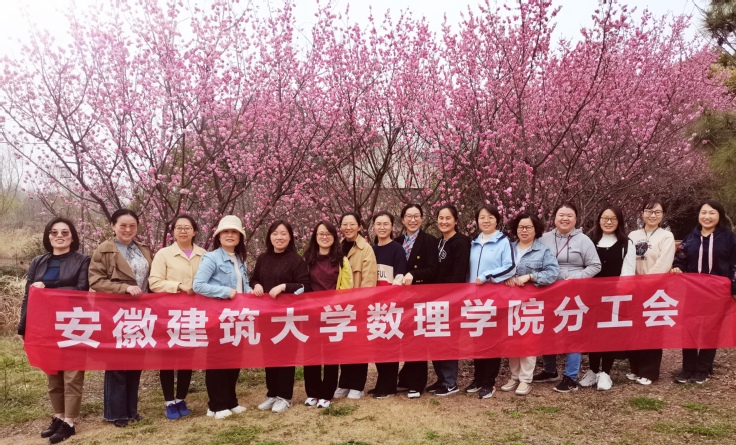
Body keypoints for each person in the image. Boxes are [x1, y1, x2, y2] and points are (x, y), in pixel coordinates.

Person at [18, 218, 90, 443]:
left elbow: (82, 290)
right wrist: (23, 326)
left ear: (72, 236)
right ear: (48, 236)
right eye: (54, 232)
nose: (59, 236)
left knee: (72, 374)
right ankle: (58, 417)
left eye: (65, 232)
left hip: (72, 322)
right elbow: (28, 296)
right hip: (44, 324)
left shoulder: (82, 260)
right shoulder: (38, 262)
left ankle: (70, 422)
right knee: (52, 374)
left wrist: (47, 288)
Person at [89, 209, 152, 427]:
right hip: (114, 312)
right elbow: (96, 281)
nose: (127, 230)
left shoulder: (143, 249)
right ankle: (116, 413)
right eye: (123, 225)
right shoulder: (104, 250)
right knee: (116, 363)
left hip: (140, 313)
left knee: (135, 361)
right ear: (113, 226)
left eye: (132, 226)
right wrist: (123, 288)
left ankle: (132, 410)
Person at [535, 202, 601, 393]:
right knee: (546, 329)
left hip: (574, 293)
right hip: (548, 290)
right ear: (554, 217)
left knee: (572, 331)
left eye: (569, 215)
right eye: (561, 215)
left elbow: (595, 265)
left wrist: (577, 277)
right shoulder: (544, 238)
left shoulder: (583, 240)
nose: (565, 218)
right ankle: (550, 370)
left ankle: (571, 376)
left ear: (576, 219)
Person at [671, 200, 736, 384]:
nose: (707, 217)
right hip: (693, 293)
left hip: (717, 294)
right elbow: (680, 258)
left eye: (712, 213)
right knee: (689, 330)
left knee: (710, 330)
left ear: (719, 216)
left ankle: (703, 369)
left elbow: (734, 264)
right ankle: (687, 369)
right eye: (704, 212)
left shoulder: (729, 238)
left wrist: (734, 286)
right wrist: (678, 267)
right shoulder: (690, 238)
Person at [193, 215, 251, 419]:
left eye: (234, 232)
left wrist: (253, 292)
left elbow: (243, 286)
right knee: (217, 361)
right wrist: (225, 292)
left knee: (234, 360)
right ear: (218, 236)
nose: (230, 235)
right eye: (226, 232)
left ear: (240, 237)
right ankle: (216, 405)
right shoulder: (211, 258)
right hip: (218, 317)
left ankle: (230, 401)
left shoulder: (240, 259)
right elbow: (198, 285)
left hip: (237, 317)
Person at [149, 214, 206, 419]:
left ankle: (181, 398)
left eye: (187, 227)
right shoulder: (163, 254)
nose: (183, 231)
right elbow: (154, 282)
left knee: (187, 357)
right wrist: (179, 286)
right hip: (169, 313)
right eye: (179, 227)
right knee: (168, 356)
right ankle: (169, 401)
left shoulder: (203, 254)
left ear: (194, 231)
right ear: (172, 231)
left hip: (194, 312)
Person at [252, 220, 312, 413]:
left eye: (284, 233)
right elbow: (254, 278)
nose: (279, 237)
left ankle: (284, 396)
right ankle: (272, 393)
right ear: (270, 236)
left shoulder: (296, 260)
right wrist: (256, 285)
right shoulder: (263, 259)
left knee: (285, 356)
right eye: (275, 233)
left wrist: (285, 287)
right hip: (266, 316)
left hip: (288, 317)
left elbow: (305, 286)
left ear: (290, 237)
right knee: (269, 356)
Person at [501, 213, 558, 397]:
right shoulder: (508, 248)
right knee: (511, 340)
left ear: (536, 230)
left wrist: (531, 277)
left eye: (528, 227)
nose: (524, 230)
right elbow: (498, 268)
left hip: (531, 303)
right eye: (520, 227)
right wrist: (505, 277)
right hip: (509, 302)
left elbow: (553, 272)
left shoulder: (543, 251)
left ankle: (526, 379)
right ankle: (514, 376)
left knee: (527, 340)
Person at [621, 198, 676, 385]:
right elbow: (627, 260)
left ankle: (649, 372)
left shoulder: (666, 236)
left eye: (657, 212)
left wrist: (645, 282)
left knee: (652, 329)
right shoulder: (633, 235)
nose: (653, 215)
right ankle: (635, 368)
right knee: (634, 328)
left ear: (663, 215)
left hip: (655, 289)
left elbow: (664, 263)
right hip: (633, 288)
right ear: (642, 213)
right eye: (649, 211)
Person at [578, 205, 630, 391]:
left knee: (609, 334)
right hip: (591, 296)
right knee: (592, 333)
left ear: (619, 222)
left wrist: (620, 294)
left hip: (614, 297)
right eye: (605, 218)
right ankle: (592, 371)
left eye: (613, 219)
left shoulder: (626, 244)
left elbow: (628, 272)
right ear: (599, 220)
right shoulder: (590, 241)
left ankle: (605, 373)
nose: (608, 222)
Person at [466, 205, 516, 399]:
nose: (485, 221)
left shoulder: (503, 241)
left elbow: (510, 267)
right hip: (474, 299)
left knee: (492, 341)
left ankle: (489, 382)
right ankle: (478, 379)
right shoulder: (474, 242)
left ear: (497, 220)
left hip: (494, 298)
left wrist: (487, 275)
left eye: (490, 217)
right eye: (482, 217)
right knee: (477, 339)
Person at [302, 221, 353, 409]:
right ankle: (312, 392)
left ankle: (327, 393)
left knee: (331, 355)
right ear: (315, 236)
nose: (324, 237)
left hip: (333, 313)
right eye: (320, 233)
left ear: (334, 237)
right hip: (311, 313)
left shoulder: (341, 260)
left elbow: (346, 287)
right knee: (311, 354)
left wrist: (333, 306)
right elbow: (303, 284)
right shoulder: (307, 259)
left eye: (328, 234)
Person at [395, 204, 439, 399]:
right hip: (399, 299)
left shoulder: (429, 241)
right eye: (408, 216)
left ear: (422, 219)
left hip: (420, 297)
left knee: (418, 339)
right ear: (402, 219)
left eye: (416, 216)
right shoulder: (397, 241)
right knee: (404, 338)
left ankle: (416, 383)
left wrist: (414, 275)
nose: (412, 220)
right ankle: (405, 379)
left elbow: (433, 269)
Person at [333, 212, 378, 400]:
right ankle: (344, 382)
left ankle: (357, 385)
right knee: (343, 345)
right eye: (345, 224)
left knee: (358, 345)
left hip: (358, 305)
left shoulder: (366, 249)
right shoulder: (337, 247)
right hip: (340, 306)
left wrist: (361, 305)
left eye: (352, 224)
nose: (348, 228)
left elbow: (369, 281)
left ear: (359, 226)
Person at [427, 204, 470, 397]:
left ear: (456, 221)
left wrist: (449, 297)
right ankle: (441, 378)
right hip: (435, 300)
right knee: (435, 339)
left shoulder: (460, 242)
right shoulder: (438, 242)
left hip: (451, 300)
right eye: (441, 218)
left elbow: (458, 274)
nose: (444, 222)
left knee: (448, 339)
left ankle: (450, 382)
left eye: (448, 218)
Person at [369, 211, 407, 399]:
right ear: (373, 227)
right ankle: (381, 383)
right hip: (374, 305)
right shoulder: (371, 250)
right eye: (378, 224)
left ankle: (389, 386)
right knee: (378, 344)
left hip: (391, 304)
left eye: (386, 224)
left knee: (389, 344)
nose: (382, 227)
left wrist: (391, 297)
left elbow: (400, 274)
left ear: (392, 227)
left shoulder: (397, 249)